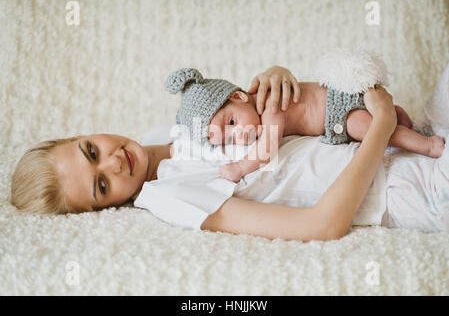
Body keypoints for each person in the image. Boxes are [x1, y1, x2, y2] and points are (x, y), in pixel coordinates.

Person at [10, 66, 449, 241]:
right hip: (406, 186)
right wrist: (383, 129)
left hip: (408, 131)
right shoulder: (170, 196)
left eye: (91, 149)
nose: (112, 161)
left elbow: (276, 115)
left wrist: (280, 75)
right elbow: (322, 225)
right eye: (101, 185)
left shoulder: (170, 128)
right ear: (100, 208)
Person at [165, 67, 445, 183]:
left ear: (239, 96)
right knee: (380, 124)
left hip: (339, 108)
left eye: (232, 123)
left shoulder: (270, 105)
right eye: (226, 139)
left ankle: (428, 145)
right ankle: (401, 121)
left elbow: (267, 149)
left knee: (373, 131)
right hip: (338, 108)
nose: (237, 136)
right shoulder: (253, 112)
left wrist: (240, 168)